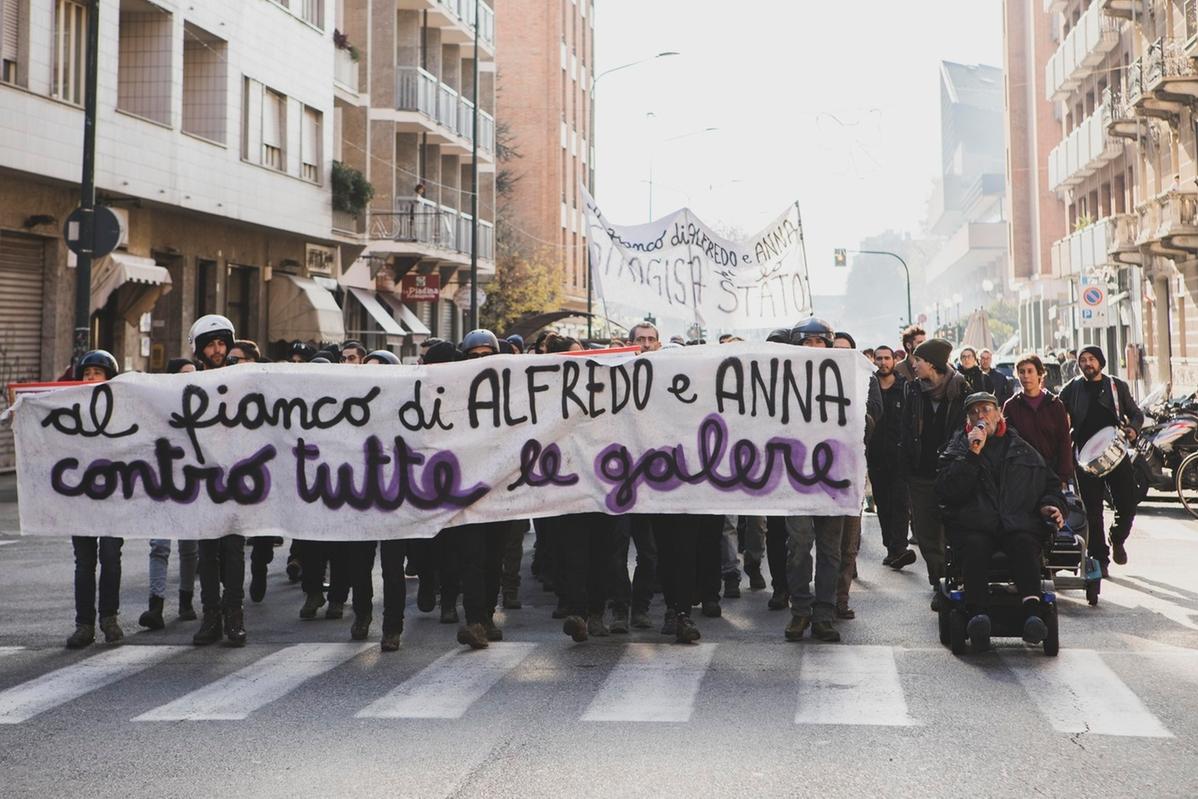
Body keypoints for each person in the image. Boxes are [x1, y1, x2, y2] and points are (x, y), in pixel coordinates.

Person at [936, 392, 1066, 651]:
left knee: (1024, 543)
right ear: (968, 420)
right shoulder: (957, 449)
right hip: (976, 524)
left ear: (998, 414)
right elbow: (948, 492)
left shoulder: (1021, 448)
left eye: (986, 410)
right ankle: (978, 614)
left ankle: (1032, 613)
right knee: (975, 545)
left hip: (1015, 522)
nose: (981, 416)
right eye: (974, 412)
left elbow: (1049, 485)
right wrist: (972, 455)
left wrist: (1051, 505)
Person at [188, 314, 248, 646]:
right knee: (207, 553)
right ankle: (211, 615)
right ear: (200, 350)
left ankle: (235, 616)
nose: (217, 349)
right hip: (201, 482)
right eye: (211, 344)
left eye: (222, 343)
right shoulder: (186, 385)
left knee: (234, 550)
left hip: (237, 480)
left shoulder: (243, 382)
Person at [782, 317, 843, 643]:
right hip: (796, 477)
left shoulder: (847, 378)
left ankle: (823, 614)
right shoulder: (783, 378)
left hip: (834, 477)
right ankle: (800, 610)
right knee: (800, 544)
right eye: (808, 343)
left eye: (820, 342)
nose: (814, 349)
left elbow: (868, 418)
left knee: (830, 551)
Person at [1059, 346, 1144, 574]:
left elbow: (1137, 414)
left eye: (1092, 359)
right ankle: (1099, 559)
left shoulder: (1116, 386)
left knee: (1127, 503)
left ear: (1101, 362)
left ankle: (1117, 538)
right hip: (1085, 459)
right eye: (1083, 360)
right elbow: (1057, 415)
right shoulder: (1072, 388)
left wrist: (1133, 430)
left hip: (1116, 453)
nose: (1087, 363)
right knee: (1093, 512)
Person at [899, 337, 968, 608]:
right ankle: (938, 580)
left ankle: (955, 578)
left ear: (933, 364)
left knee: (953, 527)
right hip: (920, 472)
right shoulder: (914, 390)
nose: (914, 365)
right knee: (927, 533)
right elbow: (907, 427)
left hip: (951, 471)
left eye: (919, 361)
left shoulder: (961, 389)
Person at [66, 350, 126, 649]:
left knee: (111, 558)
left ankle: (109, 618)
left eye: (97, 373)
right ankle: (84, 624)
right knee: (84, 562)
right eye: (86, 373)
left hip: (113, 497)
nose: (91, 378)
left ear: (109, 378)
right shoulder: (70, 408)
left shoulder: (122, 412)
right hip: (80, 499)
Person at [867, 345, 916, 569]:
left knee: (901, 502)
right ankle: (891, 547)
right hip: (876, 456)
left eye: (887, 358)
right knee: (883, 503)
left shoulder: (905, 387)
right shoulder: (868, 386)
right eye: (879, 359)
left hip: (900, 456)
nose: (883, 362)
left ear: (894, 360)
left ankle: (900, 547)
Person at [1002, 354, 1073, 489]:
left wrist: (1064, 475)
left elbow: (1064, 440)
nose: (1026, 376)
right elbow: (1006, 441)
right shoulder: (1011, 406)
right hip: (1023, 474)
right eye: (1021, 372)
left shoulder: (1055, 404)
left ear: (1040, 374)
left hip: (1052, 472)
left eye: (1030, 371)